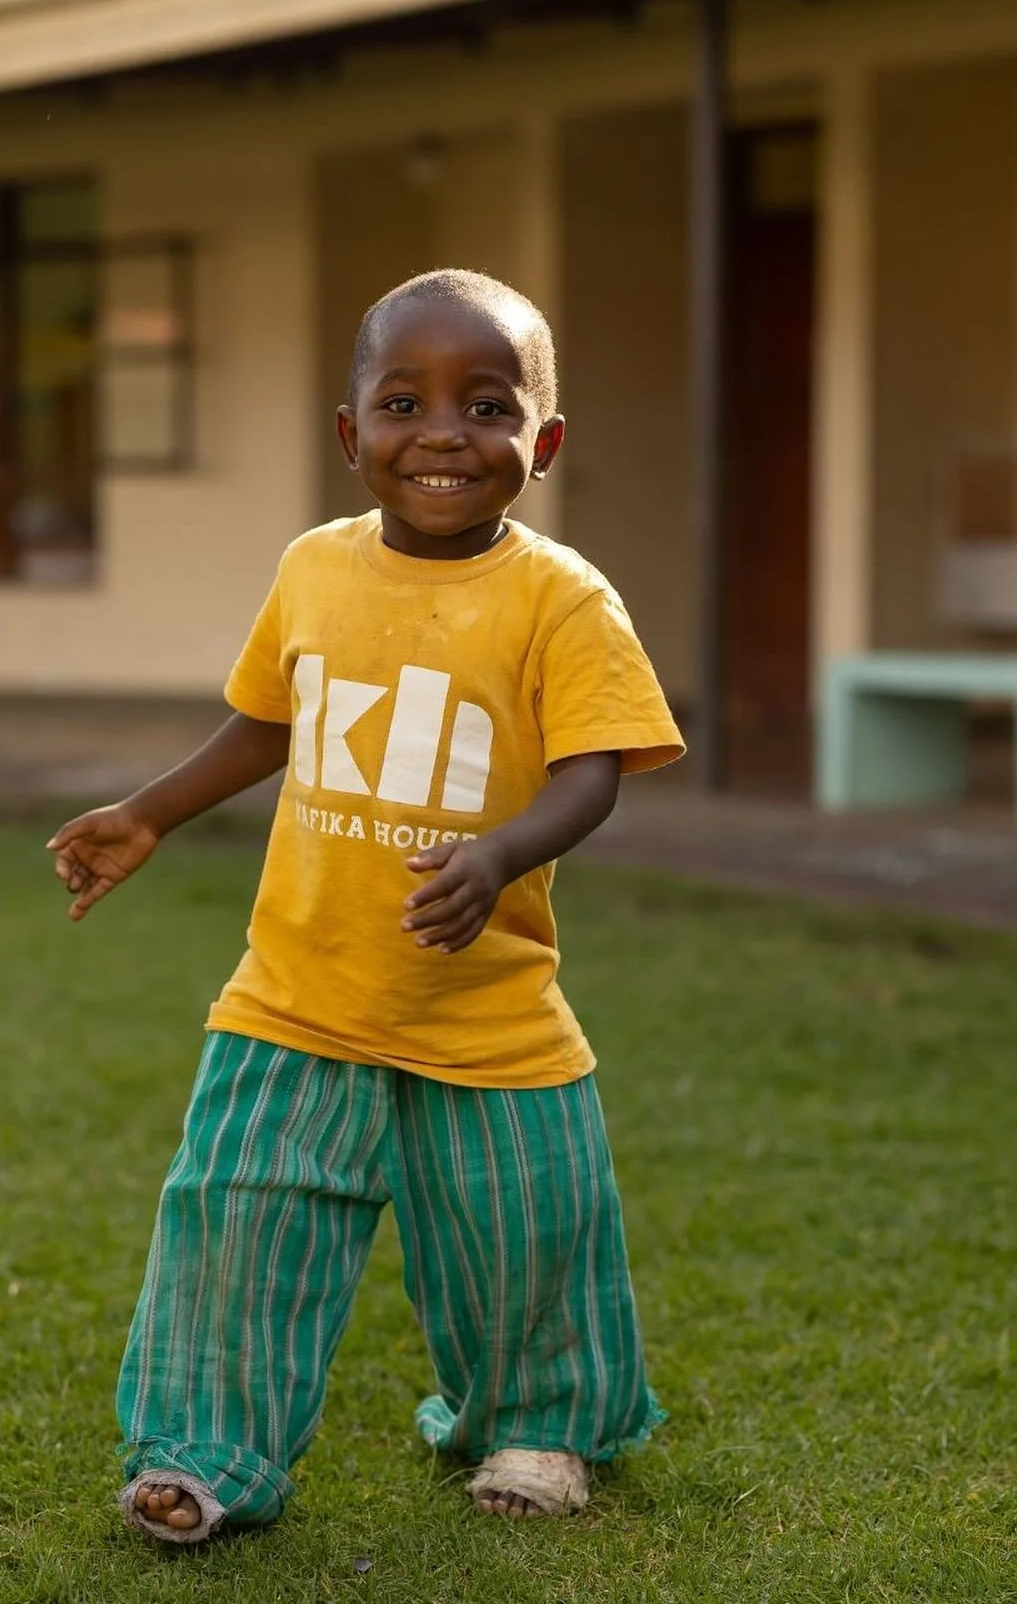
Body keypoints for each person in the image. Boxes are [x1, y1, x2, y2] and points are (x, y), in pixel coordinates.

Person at [47, 269, 685, 1541]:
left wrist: (500, 854)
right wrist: (153, 811)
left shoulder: (562, 596)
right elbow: (266, 721)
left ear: (541, 443)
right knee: (234, 1217)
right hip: (296, 990)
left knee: (526, 1233)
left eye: (487, 405)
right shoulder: (313, 568)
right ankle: (205, 1451)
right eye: (404, 401)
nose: (443, 432)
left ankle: (536, 1423)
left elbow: (595, 768)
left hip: (486, 1006)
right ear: (352, 437)